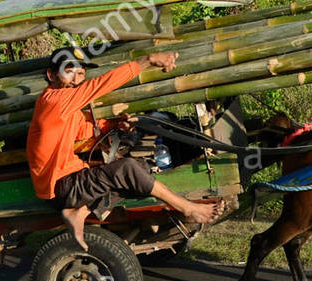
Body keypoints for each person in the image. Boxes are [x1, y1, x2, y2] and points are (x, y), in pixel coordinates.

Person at [26, 46, 221, 250]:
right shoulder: (53, 101)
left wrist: (115, 125)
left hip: (72, 180)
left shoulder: (67, 109)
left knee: (140, 168)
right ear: (51, 75)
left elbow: (83, 131)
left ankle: (79, 212)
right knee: (128, 169)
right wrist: (148, 59)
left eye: (81, 73)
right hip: (61, 186)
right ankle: (187, 208)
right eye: (69, 71)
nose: (76, 79)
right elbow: (99, 85)